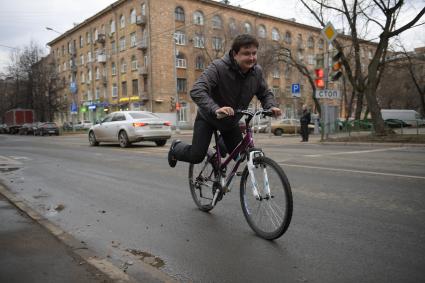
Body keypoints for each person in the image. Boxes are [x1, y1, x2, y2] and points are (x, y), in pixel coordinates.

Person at [168, 34, 281, 168]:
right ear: (235, 54)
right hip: (208, 118)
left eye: (254, 53)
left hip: (230, 121)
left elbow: (265, 93)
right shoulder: (218, 67)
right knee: (196, 156)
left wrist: (271, 106)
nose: (251, 58)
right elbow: (197, 90)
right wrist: (215, 108)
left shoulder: (256, 72)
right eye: (246, 54)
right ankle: (176, 148)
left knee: (240, 156)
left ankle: (222, 144)